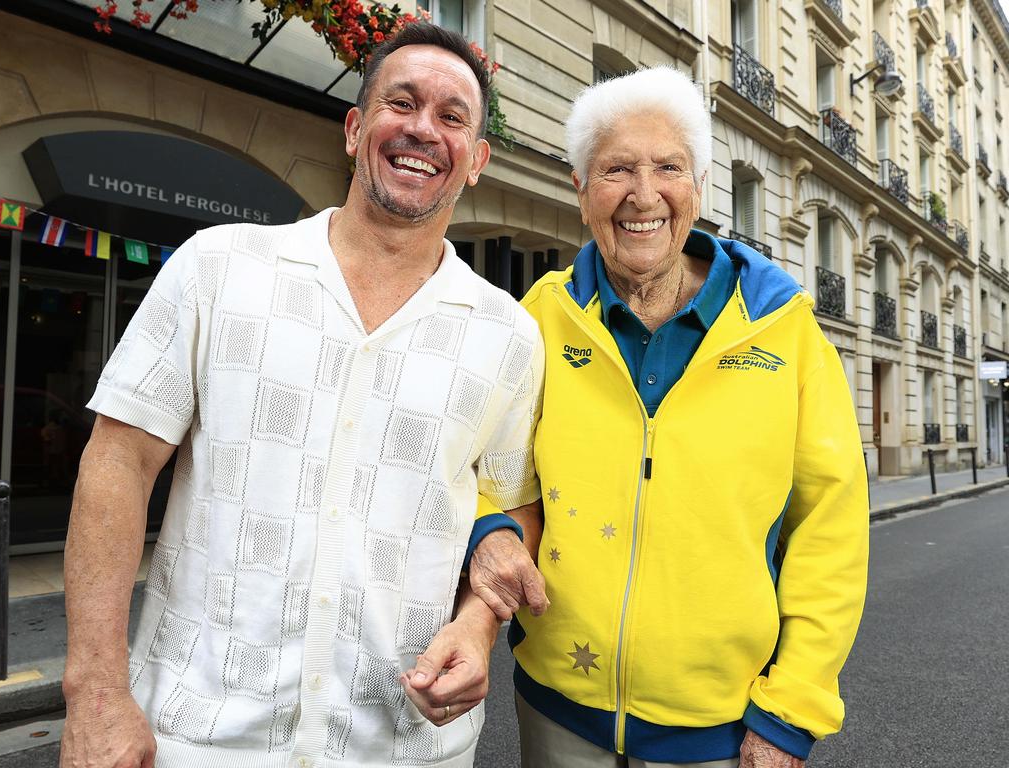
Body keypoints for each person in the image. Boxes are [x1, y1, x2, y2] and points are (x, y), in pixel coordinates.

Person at [59, 23, 545, 768]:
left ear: (476, 160)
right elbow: (117, 462)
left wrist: (479, 625)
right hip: (198, 739)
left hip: (403, 747)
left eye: (452, 117)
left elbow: (513, 507)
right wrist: (95, 694)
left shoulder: (509, 335)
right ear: (355, 130)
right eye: (402, 103)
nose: (422, 129)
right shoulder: (217, 269)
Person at [468, 65, 869, 768]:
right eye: (617, 168)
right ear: (582, 190)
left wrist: (792, 711)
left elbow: (830, 529)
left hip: (721, 731)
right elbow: (478, 461)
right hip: (557, 709)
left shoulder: (786, 332)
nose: (643, 194)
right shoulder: (540, 318)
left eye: (668, 168)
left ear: (700, 188)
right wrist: (489, 528)